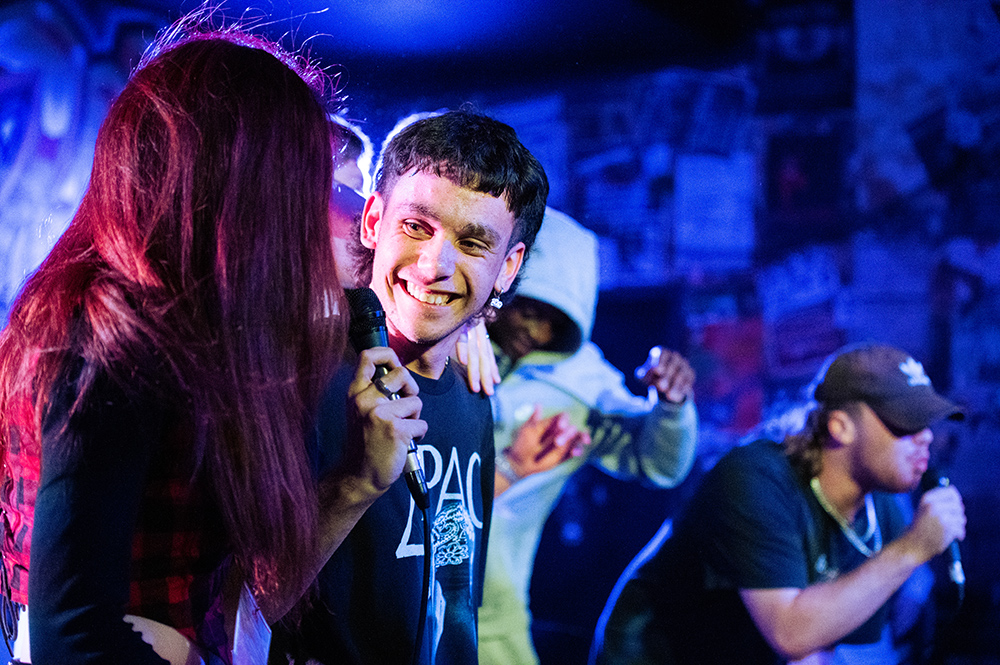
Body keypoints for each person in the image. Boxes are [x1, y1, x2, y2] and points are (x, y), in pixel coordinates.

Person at [0, 14, 415, 664]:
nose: (317, 204)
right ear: (248, 182)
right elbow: (73, 632)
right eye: (306, 178)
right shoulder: (118, 330)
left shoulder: (186, 328)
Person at [276, 109, 548, 664]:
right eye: (416, 226)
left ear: (508, 267)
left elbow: (454, 596)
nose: (433, 266)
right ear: (372, 220)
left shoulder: (473, 392)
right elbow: (239, 605)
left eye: (473, 243)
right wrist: (355, 482)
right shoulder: (295, 376)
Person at [591, 343, 967, 665]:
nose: (925, 437)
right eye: (906, 422)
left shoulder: (881, 510)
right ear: (840, 427)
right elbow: (790, 632)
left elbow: (822, 645)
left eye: (927, 422)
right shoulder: (755, 479)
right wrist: (911, 551)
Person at [474, 207, 699, 665]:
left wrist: (672, 406)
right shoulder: (448, 342)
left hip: (488, 617)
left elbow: (656, 461)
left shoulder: (579, 383)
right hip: (390, 593)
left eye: (555, 322)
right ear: (505, 283)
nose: (537, 331)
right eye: (530, 310)